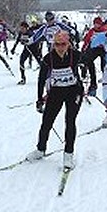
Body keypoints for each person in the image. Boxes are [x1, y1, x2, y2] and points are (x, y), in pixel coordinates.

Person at [25, 31, 84, 169]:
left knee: (70, 121)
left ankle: (68, 155)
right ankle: (40, 149)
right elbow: (41, 79)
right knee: (46, 122)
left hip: (74, 92)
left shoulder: (75, 55)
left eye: (63, 44)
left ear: (68, 44)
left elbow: (90, 65)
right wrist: (39, 98)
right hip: (56, 92)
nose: (60, 47)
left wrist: (93, 83)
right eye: (57, 44)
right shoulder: (48, 58)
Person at [80, 16, 107, 96]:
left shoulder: (105, 31)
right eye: (95, 24)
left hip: (103, 49)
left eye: (98, 24)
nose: (96, 26)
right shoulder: (92, 31)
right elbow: (87, 41)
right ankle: (93, 83)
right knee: (88, 61)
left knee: (104, 65)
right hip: (94, 49)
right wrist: (83, 49)